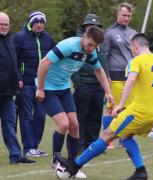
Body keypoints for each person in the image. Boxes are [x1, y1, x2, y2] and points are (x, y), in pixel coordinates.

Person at [55, 33, 153, 180]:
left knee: (107, 135)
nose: (131, 51)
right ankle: (140, 172)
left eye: (131, 48)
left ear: (135, 46)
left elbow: (131, 80)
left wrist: (121, 104)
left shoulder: (136, 61)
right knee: (127, 137)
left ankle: (73, 166)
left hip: (138, 112)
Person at [35, 26, 114, 178]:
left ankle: (72, 165)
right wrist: (40, 88)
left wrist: (108, 92)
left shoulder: (89, 53)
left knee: (75, 125)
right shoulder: (68, 46)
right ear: (84, 37)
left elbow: (98, 70)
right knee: (64, 124)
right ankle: (55, 161)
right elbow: (44, 63)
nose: (91, 49)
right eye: (90, 44)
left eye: (95, 47)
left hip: (64, 89)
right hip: (48, 89)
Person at [13, 11, 55, 157]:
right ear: (31, 22)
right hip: (25, 83)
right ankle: (28, 147)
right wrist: (18, 77)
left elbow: (55, 59)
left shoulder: (49, 39)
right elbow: (14, 60)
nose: (39, 24)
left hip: (42, 84)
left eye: (42, 22)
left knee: (41, 115)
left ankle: (35, 146)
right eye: (36, 21)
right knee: (26, 115)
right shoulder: (19, 38)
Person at [0, 12, 36, 164]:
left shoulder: (9, 40)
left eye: (6, 24)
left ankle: (16, 156)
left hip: (7, 92)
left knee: (9, 123)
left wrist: (17, 80)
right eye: (1, 24)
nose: (3, 27)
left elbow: (13, 64)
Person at [72, 14, 109, 154]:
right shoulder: (78, 41)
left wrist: (107, 80)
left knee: (95, 115)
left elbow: (104, 63)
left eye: (96, 26)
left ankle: (92, 144)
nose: (93, 27)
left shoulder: (102, 42)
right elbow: (72, 63)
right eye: (89, 25)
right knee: (81, 115)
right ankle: (79, 145)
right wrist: (77, 82)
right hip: (84, 83)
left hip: (98, 84)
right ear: (85, 28)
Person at [103, 2, 137, 149]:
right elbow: (104, 55)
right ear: (118, 14)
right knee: (111, 108)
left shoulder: (134, 33)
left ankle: (124, 139)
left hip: (130, 77)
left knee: (129, 109)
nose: (126, 18)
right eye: (124, 15)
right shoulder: (109, 33)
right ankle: (107, 139)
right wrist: (107, 76)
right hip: (115, 77)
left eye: (129, 16)